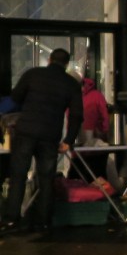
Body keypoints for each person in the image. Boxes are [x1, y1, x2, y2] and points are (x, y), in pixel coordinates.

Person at [0, 48, 82, 234]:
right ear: (66, 64)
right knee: (46, 179)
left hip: (26, 131)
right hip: (50, 135)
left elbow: (16, 98)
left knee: (18, 175)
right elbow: (77, 115)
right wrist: (68, 140)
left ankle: (12, 219)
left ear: (50, 60)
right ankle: (44, 221)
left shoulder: (33, 74)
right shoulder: (71, 84)